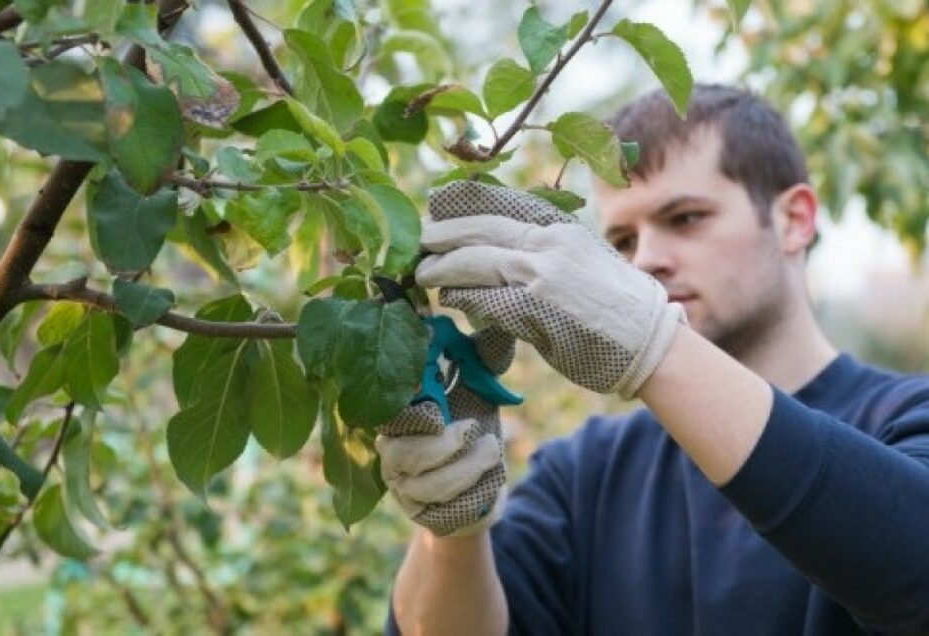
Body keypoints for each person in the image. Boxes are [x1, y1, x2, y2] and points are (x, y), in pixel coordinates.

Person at [377, 83, 929, 635]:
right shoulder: (585, 474)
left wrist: (656, 345)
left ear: (795, 219)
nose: (646, 260)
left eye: (685, 218)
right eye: (620, 241)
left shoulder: (906, 418)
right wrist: (454, 533)